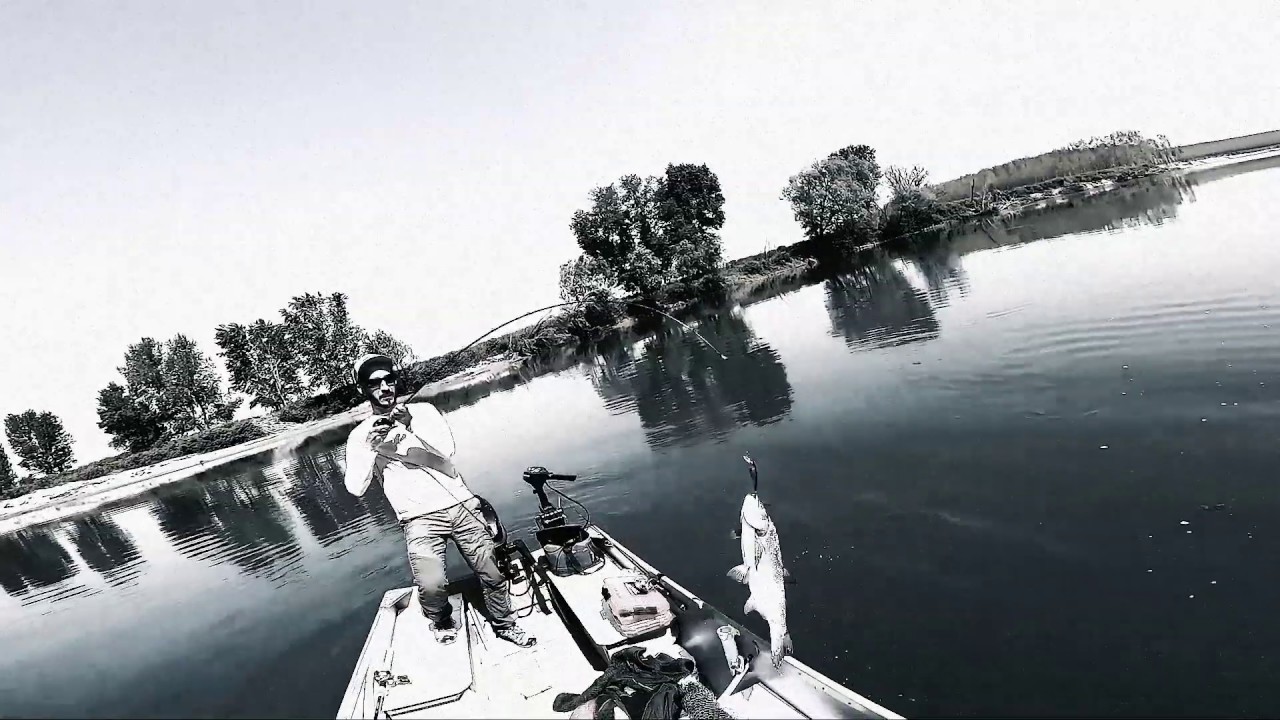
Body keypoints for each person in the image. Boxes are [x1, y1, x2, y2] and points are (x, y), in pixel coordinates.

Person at [343, 353, 535, 647]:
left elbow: (448, 449)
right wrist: (371, 448)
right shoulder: (359, 436)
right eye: (374, 383)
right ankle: (442, 618)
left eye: (389, 379)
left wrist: (411, 426)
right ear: (362, 389)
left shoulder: (424, 411)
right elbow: (356, 488)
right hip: (418, 518)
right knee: (431, 586)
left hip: (461, 505)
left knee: (493, 572)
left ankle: (505, 623)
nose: (384, 387)